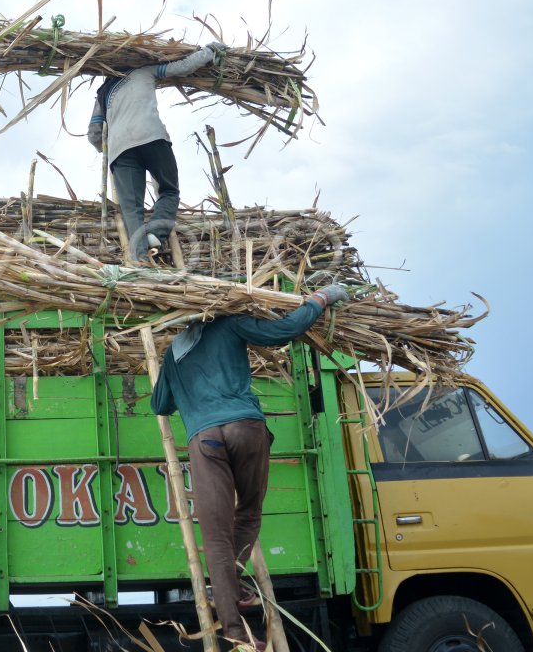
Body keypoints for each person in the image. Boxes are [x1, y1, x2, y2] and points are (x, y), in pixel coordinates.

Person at [151, 284, 350, 650]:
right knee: (249, 513)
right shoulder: (230, 324)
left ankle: (235, 629)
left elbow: (160, 405)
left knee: (215, 536)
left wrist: (189, 389)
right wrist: (321, 298)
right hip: (246, 427)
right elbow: (281, 332)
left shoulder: (172, 355)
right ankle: (238, 583)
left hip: (204, 439)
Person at [88, 42, 226, 261]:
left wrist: (109, 146)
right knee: (169, 190)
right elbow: (184, 67)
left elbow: (94, 134)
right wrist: (209, 52)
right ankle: (156, 233)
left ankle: (139, 256)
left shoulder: (103, 94)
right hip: (152, 137)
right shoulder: (146, 70)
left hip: (120, 151)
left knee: (131, 209)